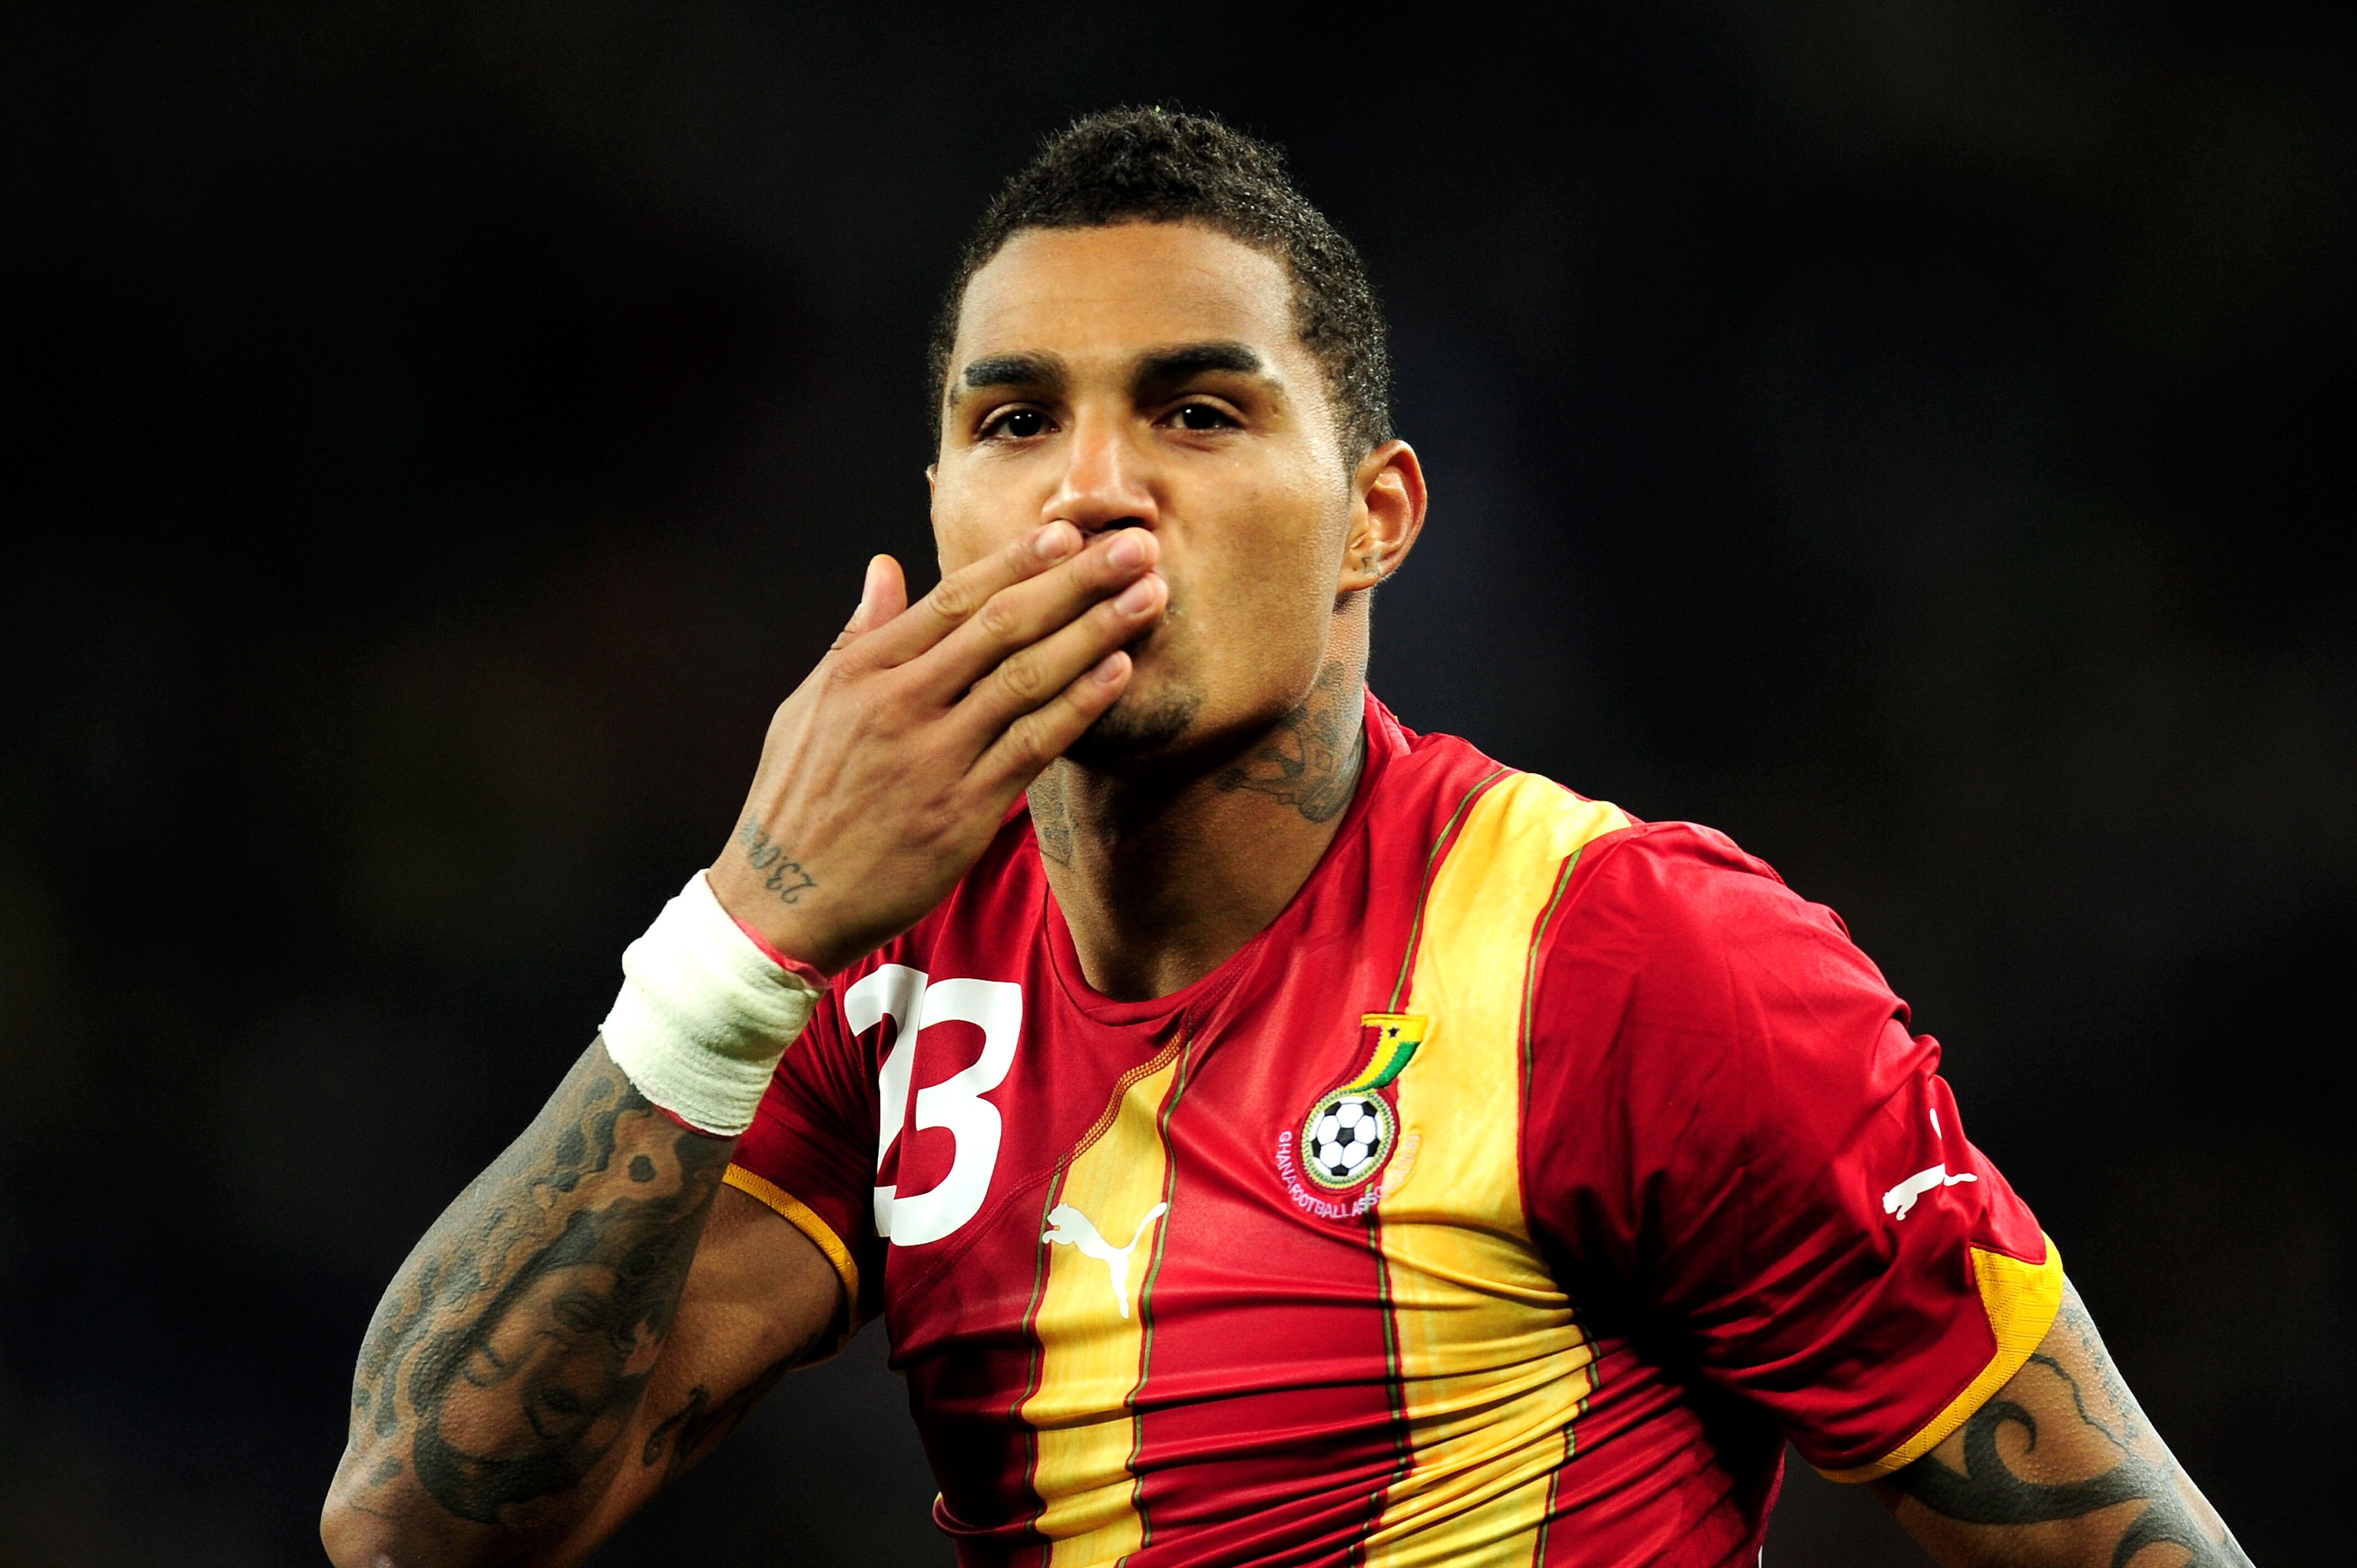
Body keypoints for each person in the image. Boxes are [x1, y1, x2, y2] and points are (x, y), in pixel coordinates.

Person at [321, 109, 2251, 1568]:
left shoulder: (1633, 964)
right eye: (1013, 423)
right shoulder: (873, 985)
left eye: (1198, 411)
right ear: (932, 502)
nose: (1091, 494)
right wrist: (746, 930)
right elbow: (413, 1532)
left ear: (1376, 518)